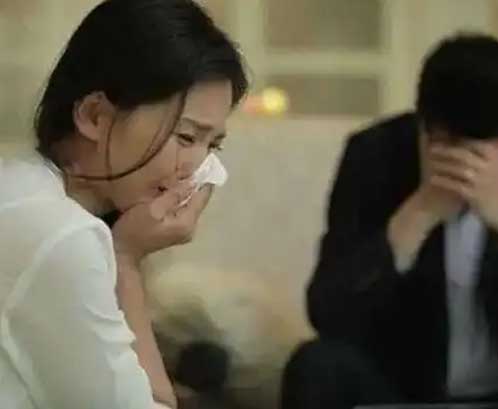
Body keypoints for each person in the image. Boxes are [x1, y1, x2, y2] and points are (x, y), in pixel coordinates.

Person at [0, 1, 248, 408]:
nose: (196, 168)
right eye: (186, 137)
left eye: (212, 145)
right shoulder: (61, 237)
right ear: (95, 116)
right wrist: (126, 260)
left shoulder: (20, 187)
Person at [281, 33, 498, 409]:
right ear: (426, 129)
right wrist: (417, 216)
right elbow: (328, 312)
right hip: (400, 389)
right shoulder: (377, 155)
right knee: (317, 365)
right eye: (452, 146)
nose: (469, 166)